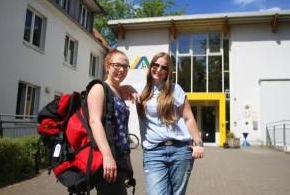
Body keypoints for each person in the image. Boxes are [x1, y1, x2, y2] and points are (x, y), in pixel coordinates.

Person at [136, 52, 204, 195]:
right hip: (153, 152)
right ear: (150, 67)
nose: (159, 70)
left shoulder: (175, 89)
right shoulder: (139, 89)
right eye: (155, 65)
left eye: (164, 67)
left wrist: (198, 143)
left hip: (180, 150)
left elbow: (188, 118)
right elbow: (114, 89)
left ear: (168, 72)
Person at [87, 49, 137, 195]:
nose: (121, 69)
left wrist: (128, 162)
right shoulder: (98, 88)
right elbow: (94, 122)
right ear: (107, 66)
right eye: (117, 65)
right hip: (106, 159)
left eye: (125, 66)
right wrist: (107, 157)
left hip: (119, 158)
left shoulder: (118, 92)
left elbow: (122, 130)